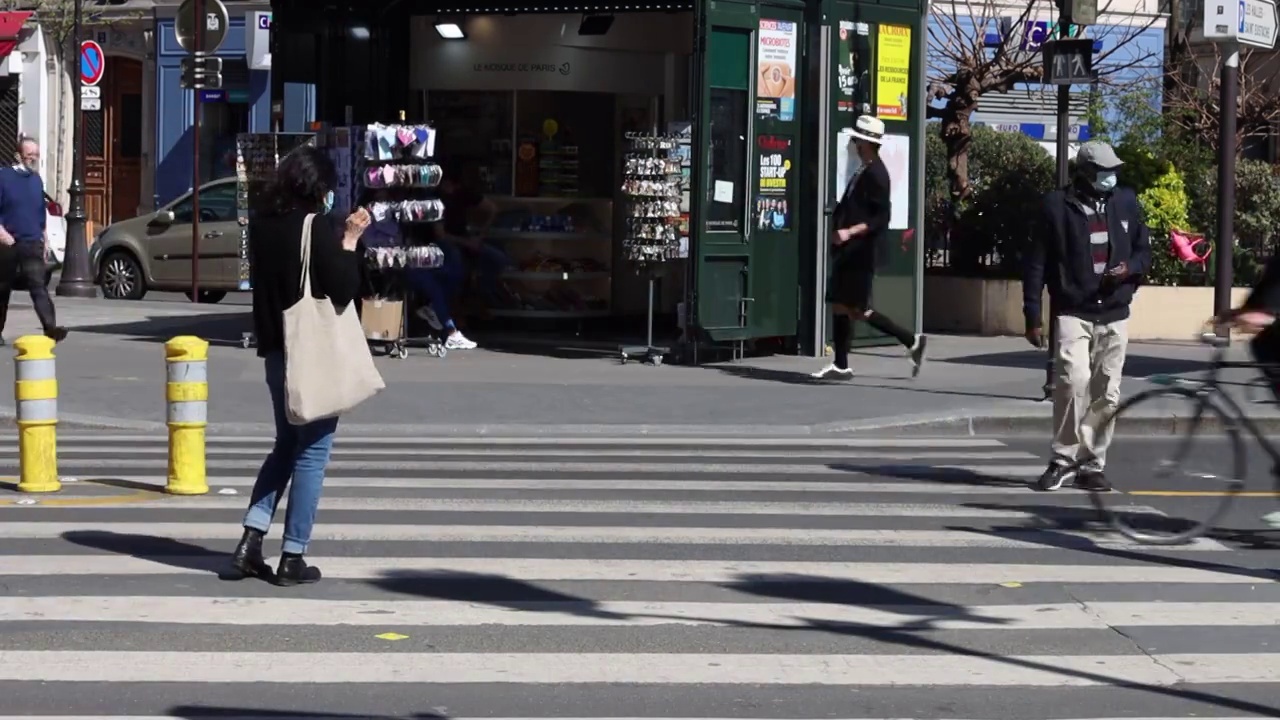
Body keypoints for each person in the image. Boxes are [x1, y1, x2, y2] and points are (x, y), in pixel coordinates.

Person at [230, 145, 370, 586]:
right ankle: (293, 554)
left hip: (275, 352)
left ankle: (251, 541)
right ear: (318, 187)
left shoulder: (263, 224)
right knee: (313, 451)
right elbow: (344, 289)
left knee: (285, 446)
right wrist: (348, 241)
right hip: (311, 354)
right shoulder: (317, 227)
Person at [1022, 140, 1151, 493]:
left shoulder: (1125, 201)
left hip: (1114, 312)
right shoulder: (1055, 206)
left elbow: (1144, 251)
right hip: (1072, 309)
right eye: (1104, 171)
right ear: (1086, 172)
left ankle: (1092, 463)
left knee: (1107, 391)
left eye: (1114, 171)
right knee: (1072, 381)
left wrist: (1129, 270)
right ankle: (1063, 458)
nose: (1112, 177)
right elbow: (1036, 263)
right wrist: (1032, 313)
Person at [812, 115, 926, 380]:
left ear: (865, 142)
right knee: (842, 306)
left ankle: (911, 341)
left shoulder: (876, 174)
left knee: (856, 309)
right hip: (850, 251)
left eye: (856, 139)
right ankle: (841, 365)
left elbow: (880, 218)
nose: (852, 143)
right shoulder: (864, 168)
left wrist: (849, 231)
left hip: (860, 252)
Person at [0, 137, 66, 344]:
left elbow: (40, 212)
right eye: (29, 155)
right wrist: (2, 234)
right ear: (18, 155)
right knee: (2, 289)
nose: (33, 159)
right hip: (7, 243)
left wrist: (44, 238)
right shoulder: (4, 178)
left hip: (32, 242)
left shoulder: (36, 180)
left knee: (38, 287)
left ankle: (50, 328)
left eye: (36, 155)